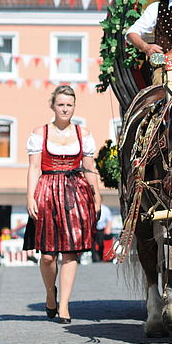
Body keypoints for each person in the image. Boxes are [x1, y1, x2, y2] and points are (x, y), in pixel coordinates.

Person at [26, 85, 101, 324]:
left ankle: (65, 305)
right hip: (47, 191)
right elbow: (34, 167)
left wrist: (96, 195)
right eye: (61, 105)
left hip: (75, 193)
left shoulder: (83, 134)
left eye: (69, 105)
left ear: (74, 107)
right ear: (53, 106)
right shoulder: (41, 132)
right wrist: (30, 197)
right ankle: (51, 293)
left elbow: (89, 168)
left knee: (70, 253)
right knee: (48, 255)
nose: (65, 109)